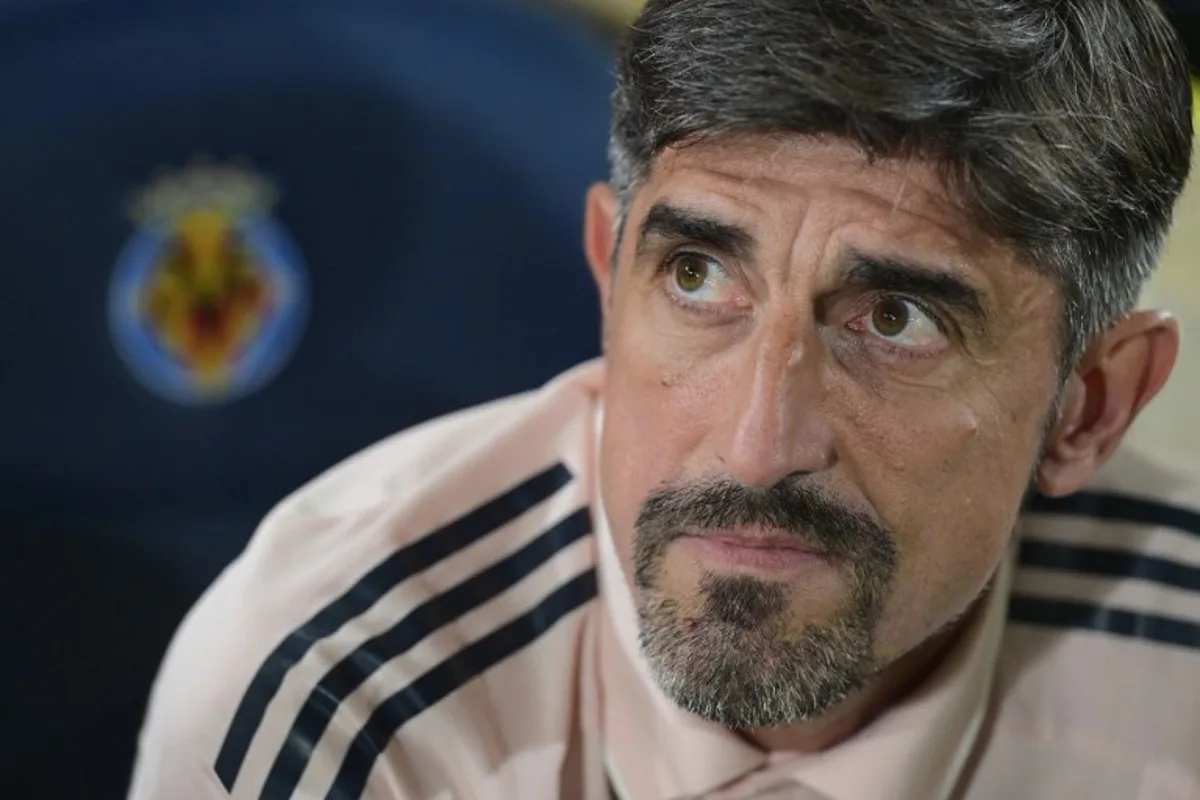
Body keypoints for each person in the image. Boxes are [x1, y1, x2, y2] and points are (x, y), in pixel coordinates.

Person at [128, 1, 1200, 798]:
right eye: (698, 277)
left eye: (896, 320)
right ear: (608, 275)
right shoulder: (335, 696)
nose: (754, 446)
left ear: (1090, 407)